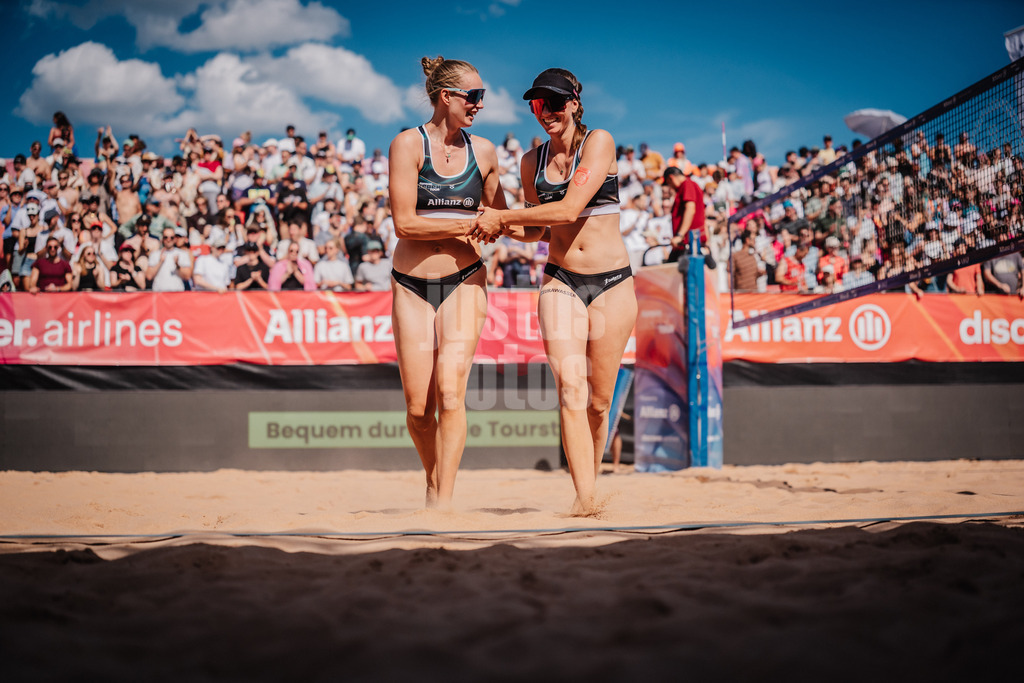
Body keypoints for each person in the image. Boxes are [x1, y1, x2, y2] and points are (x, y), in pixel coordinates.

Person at [474, 67, 636, 515]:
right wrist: (493, 216)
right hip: (561, 279)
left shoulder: (598, 141)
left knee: (599, 404)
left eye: (555, 102)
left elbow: (567, 210)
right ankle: (586, 500)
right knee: (570, 389)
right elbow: (536, 231)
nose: (546, 111)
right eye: (537, 104)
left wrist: (502, 218)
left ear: (575, 104)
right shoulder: (532, 162)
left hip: (613, 282)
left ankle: (591, 485)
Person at [388, 55, 518, 509]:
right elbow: (404, 224)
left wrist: (552, 217)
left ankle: (442, 503)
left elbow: (502, 218)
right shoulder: (408, 144)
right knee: (418, 410)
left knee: (450, 391)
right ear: (447, 96)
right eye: (474, 96)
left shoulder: (484, 152)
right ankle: (432, 480)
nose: (480, 104)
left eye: (483, 96)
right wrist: (465, 224)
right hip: (411, 285)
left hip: (465, 279)